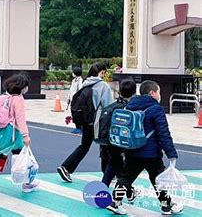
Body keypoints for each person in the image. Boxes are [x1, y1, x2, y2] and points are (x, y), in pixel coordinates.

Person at [108, 80, 183, 215]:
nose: (160, 95)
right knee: (158, 180)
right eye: (158, 92)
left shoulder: (130, 105)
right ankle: (166, 206)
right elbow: (163, 133)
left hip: (132, 150)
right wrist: (171, 153)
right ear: (152, 93)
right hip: (151, 153)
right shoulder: (156, 109)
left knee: (126, 178)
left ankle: (115, 202)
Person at [57, 62, 114, 183]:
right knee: (105, 146)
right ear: (102, 72)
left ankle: (66, 167)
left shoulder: (85, 83)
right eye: (104, 72)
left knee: (84, 146)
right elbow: (109, 105)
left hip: (87, 120)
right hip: (99, 121)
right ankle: (108, 174)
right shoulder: (103, 86)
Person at [100, 79, 136, 187]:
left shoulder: (112, 106)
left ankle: (128, 193)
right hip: (122, 143)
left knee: (114, 165)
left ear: (119, 92)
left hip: (109, 141)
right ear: (134, 92)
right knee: (124, 170)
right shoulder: (130, 108)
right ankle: (119, 195)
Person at [67, 67, 83, 134]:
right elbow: (71, 90)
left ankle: (79, 128)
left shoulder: (80, 81)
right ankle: (77, 127)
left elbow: (80, 90)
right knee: (73, 113)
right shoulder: (74, 80)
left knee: (77, 114)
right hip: (72, 100)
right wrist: (68, 98)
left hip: (77, 100)